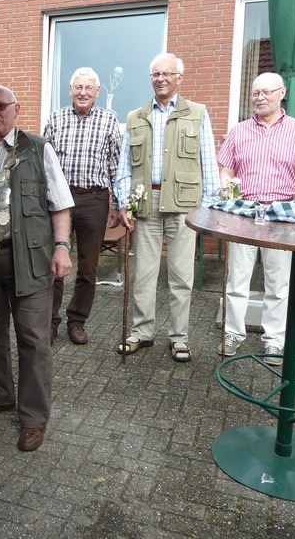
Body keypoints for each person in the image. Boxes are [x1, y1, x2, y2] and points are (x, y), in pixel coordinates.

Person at [0, 85, 73, 451]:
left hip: (30, 260)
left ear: (16, 109)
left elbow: (60, 204)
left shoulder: (37, 148)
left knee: (33, 340)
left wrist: (61, 248)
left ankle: (33, 418)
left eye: (0, 105)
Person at [114, 53, 220, 363]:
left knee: (181, 276)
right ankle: (141, 332)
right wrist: (125, 202)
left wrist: (206, 208)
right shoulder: (136, 116)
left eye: (167, 74)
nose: (160, 79)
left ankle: (179, 338)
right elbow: (124, 166)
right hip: (146, 202)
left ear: (179, 78)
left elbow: (208, 163)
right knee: (143, 274)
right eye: (155, 74)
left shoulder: (197, 113)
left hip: (184, 206)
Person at [216, 72, 295, 365]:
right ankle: (233, 333)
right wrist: (226, 187)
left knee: (278, 282)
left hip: (281, 215)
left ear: (281, 93)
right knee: (237, 279)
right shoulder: (239, 131)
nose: (259, 97)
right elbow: (225, 168)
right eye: (255, 92)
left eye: (266, 92)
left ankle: (274, 340)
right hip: (245, 213)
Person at [44, 67, 122, 344]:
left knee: (88, 267)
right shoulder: (55, 119)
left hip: (94, 200)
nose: (83, 92)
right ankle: (49, 322)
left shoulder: (109, 120)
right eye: (78, 87)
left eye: (89, 88)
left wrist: (117, 204)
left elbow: (115, 166)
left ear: (97, 92)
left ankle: (77, 321)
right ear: (70, 90)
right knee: (54, 262)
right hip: (59, 201)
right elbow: (45, 166)